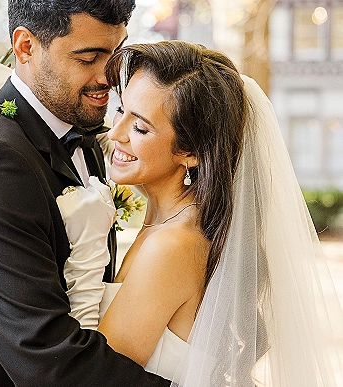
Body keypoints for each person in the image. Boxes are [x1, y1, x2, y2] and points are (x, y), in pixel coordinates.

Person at [58, 41, 343, 386]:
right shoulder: (175, 223)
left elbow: (92, 379)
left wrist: (85, 250)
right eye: (121, 111)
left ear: (190, 152)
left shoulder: (173, 246)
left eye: (141, 128)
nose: (116, 133)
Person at [0, 1, 171, 386]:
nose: (109, 77)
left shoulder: (82, 136)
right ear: (26, 47)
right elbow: (45, 354)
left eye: (116, 54)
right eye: (88, 58)